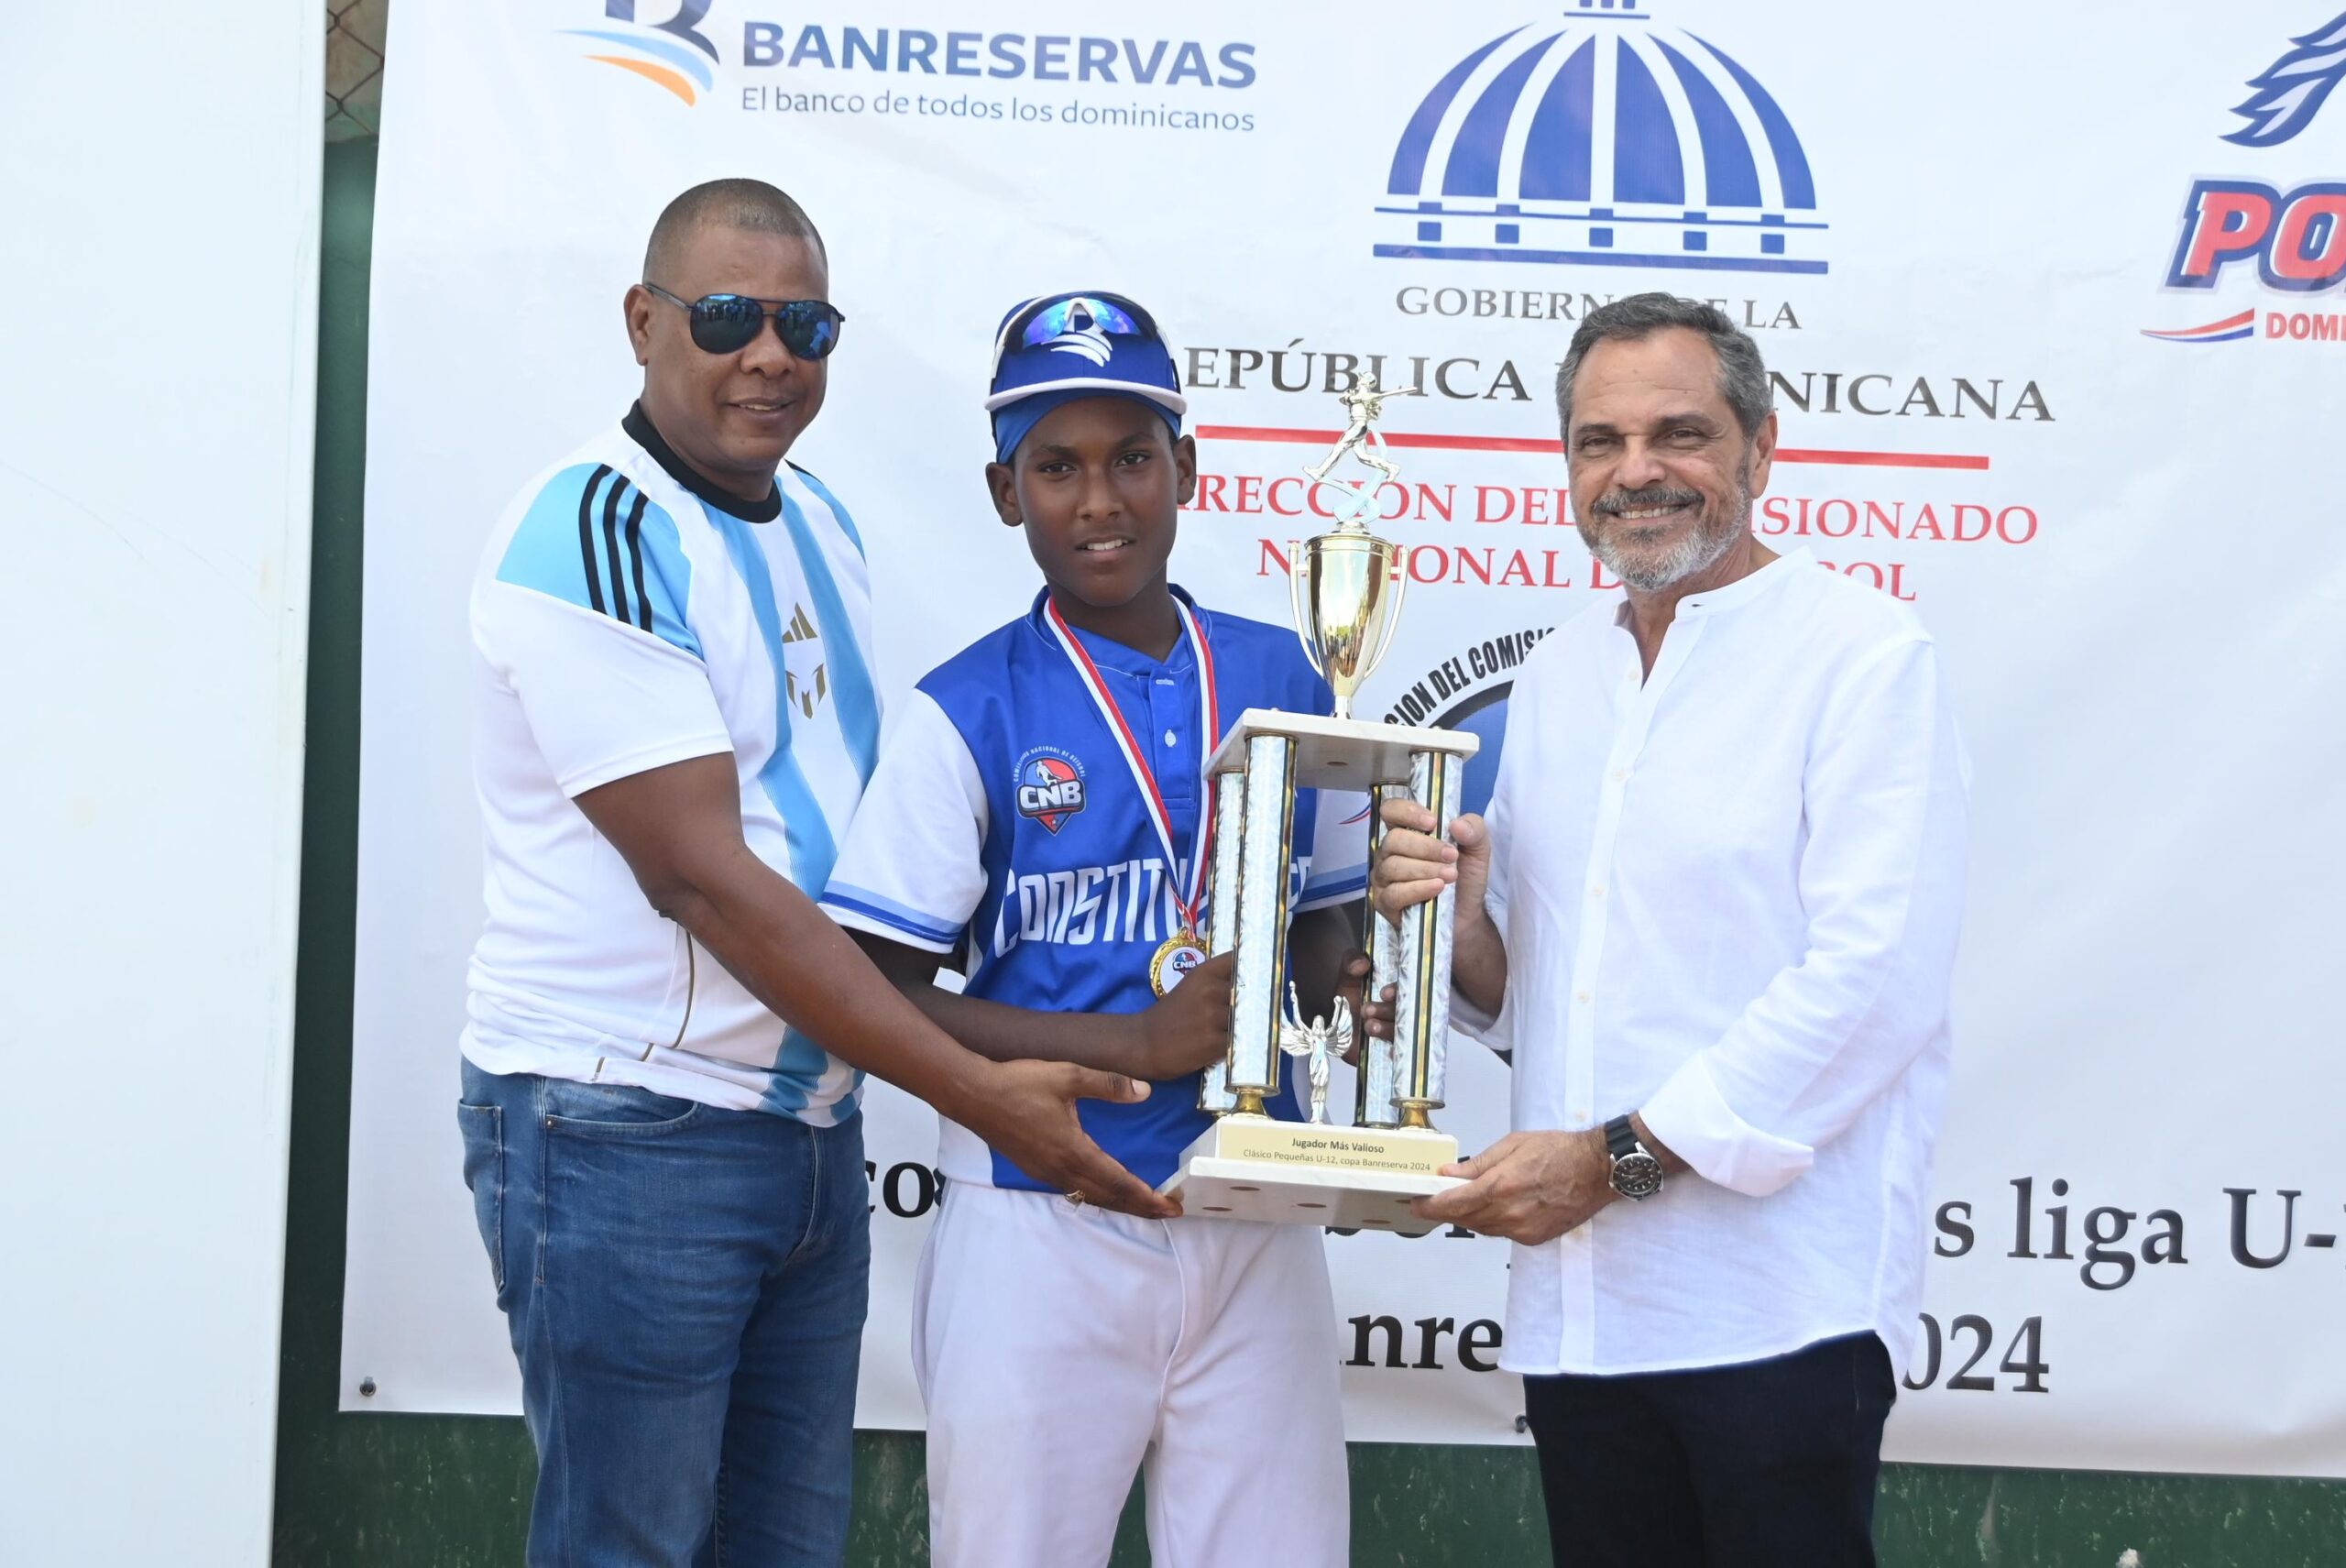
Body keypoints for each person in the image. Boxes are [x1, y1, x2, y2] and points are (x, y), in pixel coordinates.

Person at [455, 182, 1171, 1568]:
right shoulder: (593, 533)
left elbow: (845, 840)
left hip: (800, 1130)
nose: (770, 355)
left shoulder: (817, 519)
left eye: (806, 323)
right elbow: (708, 886)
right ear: (644, 321)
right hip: (626, 1130)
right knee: (633, 1547)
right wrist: (980, 1093)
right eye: (727, 318)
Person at [1371, 293, 1969, 1567]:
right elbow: (1543, 991)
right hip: (1585, 1317)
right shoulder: (1560, 674)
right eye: (1600, 441)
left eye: (1678, 434)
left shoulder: (1863, 658)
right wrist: (1460, 921)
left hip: (1776, 1317)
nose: (1636, 472)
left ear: (1760, 447)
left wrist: (1614, 1163)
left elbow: (1871, 991)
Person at [821, 290, 1364, 1568]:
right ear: (1006, 491)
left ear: (1186, 469)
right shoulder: (965, 709)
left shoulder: (1289, 674)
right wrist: (1131, 1038)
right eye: (1056, 467)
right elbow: (866, 986)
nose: (1100, 500)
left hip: (1250, 1207)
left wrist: (1363, 992)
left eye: (1132, 458)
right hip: (1039, 1214)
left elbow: (1327, 939)